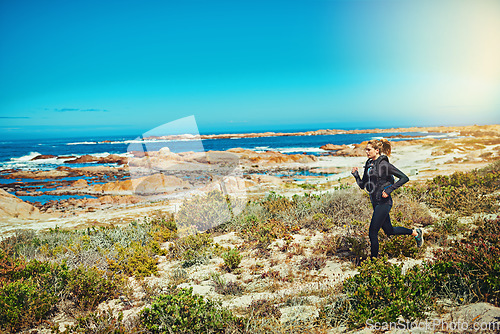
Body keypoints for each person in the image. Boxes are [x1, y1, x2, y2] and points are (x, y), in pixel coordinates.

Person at [351, 139, 423, 258]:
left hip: (384, 202)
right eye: (366, 150)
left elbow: (404, 178)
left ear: (377, 150)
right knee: (389, 231)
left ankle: (373, 263)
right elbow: (363, 185)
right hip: (375, 201)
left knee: (372, 232)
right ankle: (415, 232)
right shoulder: (369, 164)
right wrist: (356, 176)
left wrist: (389, 190)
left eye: (369, 150)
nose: (366, 152)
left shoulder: (384, 165)